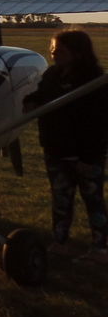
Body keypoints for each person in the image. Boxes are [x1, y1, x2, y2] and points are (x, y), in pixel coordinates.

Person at [22, 30, 108, 262]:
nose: (53, 54)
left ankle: (100, 248)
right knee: (60, 198)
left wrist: (89, 159)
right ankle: (60, 242)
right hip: (56, 150)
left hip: (85, 154)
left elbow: (98, 124)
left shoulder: (95, 81)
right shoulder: (52, 75)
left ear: (78, 53)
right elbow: (41, 96)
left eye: (59, 51)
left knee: (93, 200)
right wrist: (30, 102)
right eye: (52, 49)